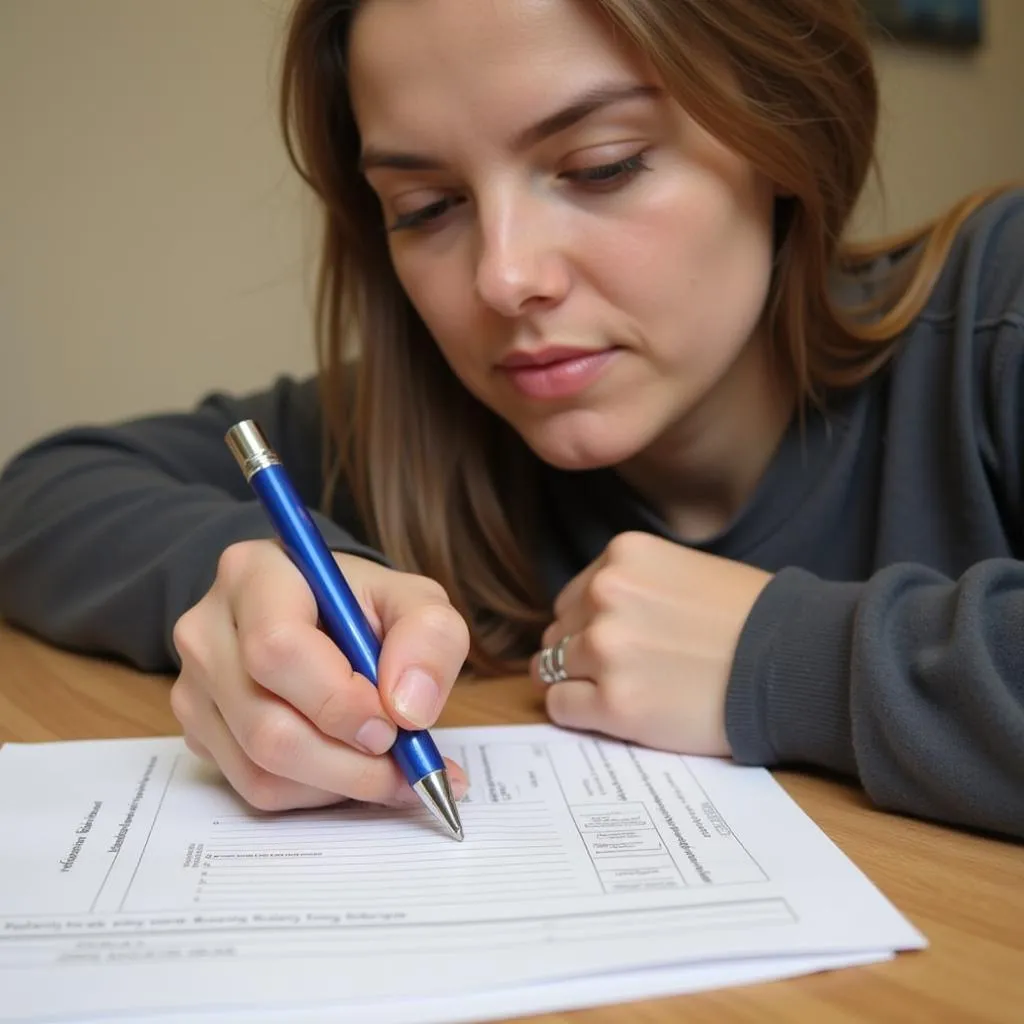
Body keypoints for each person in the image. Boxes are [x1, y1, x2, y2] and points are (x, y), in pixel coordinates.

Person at [0, 0, 1021, 840]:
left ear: (783, 134)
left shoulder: (996, 313)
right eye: (427, 208)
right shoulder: (419, 430)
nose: (503, 277)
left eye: (601, 164)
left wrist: (788, 658)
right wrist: (261, 593)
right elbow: (43, 495)